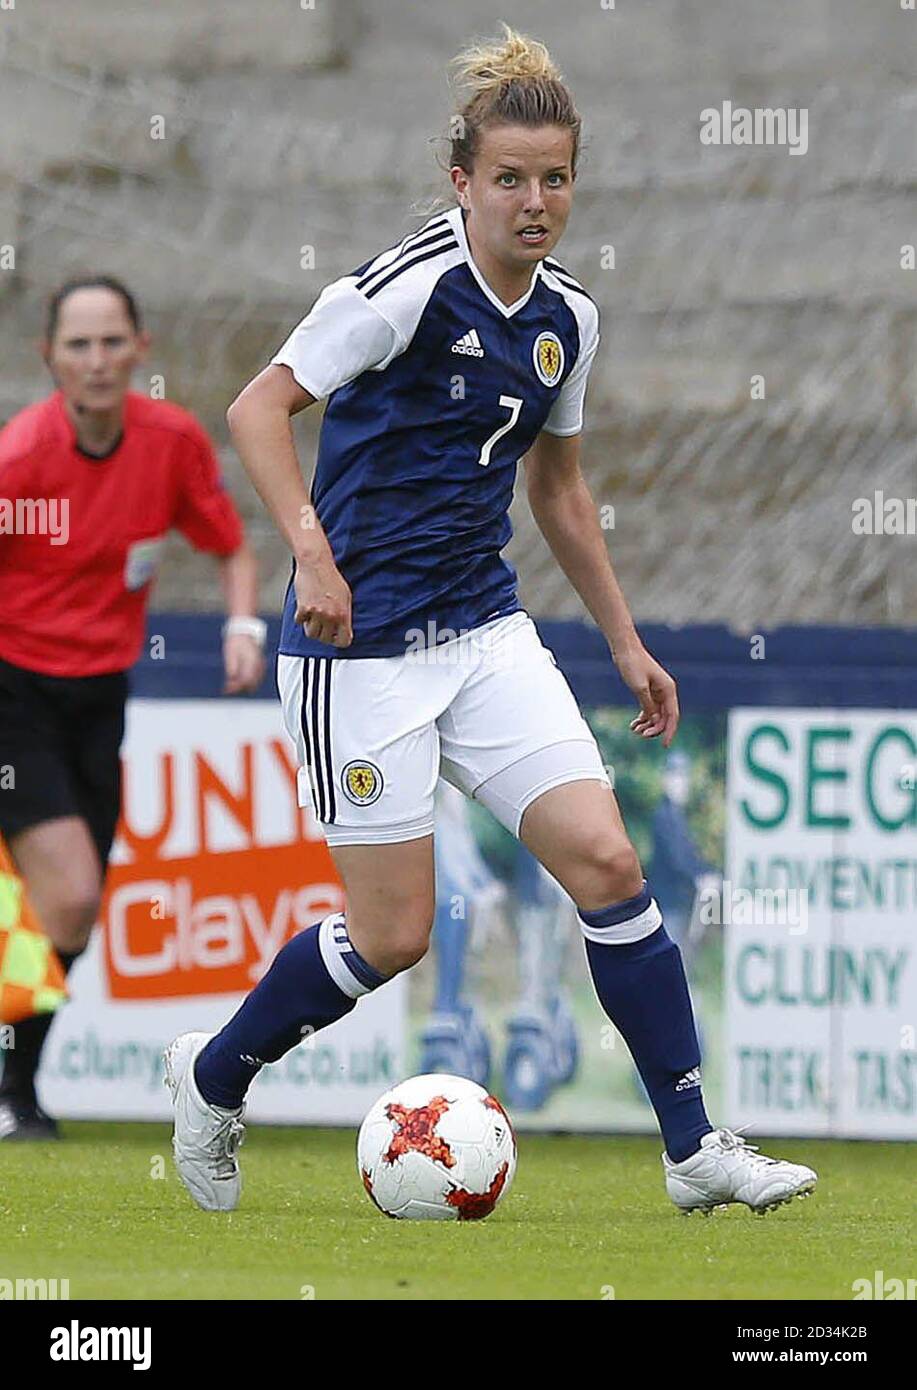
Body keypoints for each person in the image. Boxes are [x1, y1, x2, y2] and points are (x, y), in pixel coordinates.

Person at [165, 25, 817, 1216]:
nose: (534, 200)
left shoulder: (568, 318)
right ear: (459, 180)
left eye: (553, 178)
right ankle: (212, 1077)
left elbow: (557, 487)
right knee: (394, 935)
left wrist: (624, 641)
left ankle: (692, 1149)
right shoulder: (405, 286)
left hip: (480, 631)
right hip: (354, 653)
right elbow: (258, 407)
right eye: (508, 177)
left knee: (609, 862)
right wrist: (308, 549)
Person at [0, 275, 266, 1139]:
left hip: (100, 699)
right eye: (78, 345)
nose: (98, 360)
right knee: (68, 895)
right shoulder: (20, 459)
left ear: (141, 349)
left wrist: (241, 627)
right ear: (50, 361)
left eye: (113, 341)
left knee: (67, 908)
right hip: (14, 692)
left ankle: (15, 1089)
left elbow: (229, 546)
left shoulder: (171, 442)